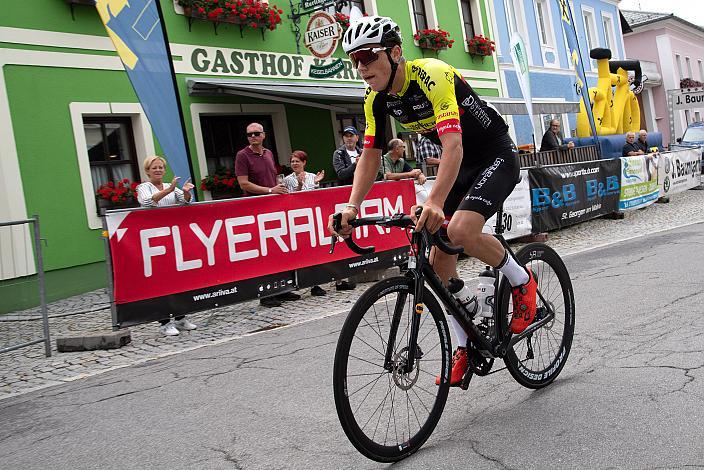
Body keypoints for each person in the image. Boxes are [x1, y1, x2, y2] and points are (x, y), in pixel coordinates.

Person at [329, 16, 537, 387]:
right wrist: (351, 208)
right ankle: (464, 343)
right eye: (354, 59)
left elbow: (453, 145)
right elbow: (371, 156)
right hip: (457, 164)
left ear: (395, 53)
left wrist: (436, 202)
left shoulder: (433, 74)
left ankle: (523, 282)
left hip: (493, 154)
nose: (361, 67)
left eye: (367, 56)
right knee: (438, 262)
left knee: (459, 228)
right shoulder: (375, 99)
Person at [235, 122, 301, 307]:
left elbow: (273, 178)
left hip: (273, 207)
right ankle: (266, 294)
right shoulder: (242, 155)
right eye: (249, 135)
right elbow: (244, 183)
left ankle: (282, 289)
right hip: (255, 208)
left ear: (264, 135)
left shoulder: (269, 153)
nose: (253, 137)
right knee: (263, 251)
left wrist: (277, 190)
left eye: (256, 133)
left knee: (278, 246)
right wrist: (270, 190)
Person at [136, 155, 197, 336]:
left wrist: (185, 191)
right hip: (153, 239)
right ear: (147, 171)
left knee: (177, 278)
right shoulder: (143, 187)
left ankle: (180, 318)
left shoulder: (171, 187)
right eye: (154, 168)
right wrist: (169, 189)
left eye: (161, 167)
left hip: (172, 237)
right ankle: (164, 322)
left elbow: (185, 201)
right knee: (160, 281)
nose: (158, 170)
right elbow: (148, 202)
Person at [282, 150, 329, 297]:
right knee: (299, 253)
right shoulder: (287, 180)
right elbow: (290, 199)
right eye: (292, 161)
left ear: (304, 162)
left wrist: (316, 183)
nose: (294, 164)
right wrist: (300, 186)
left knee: (314, 252)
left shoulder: (312, 176)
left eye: (297, 161)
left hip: (311, 218)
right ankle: (296, 284)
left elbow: (315, 197)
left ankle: (316, 284)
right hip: (295, 220)